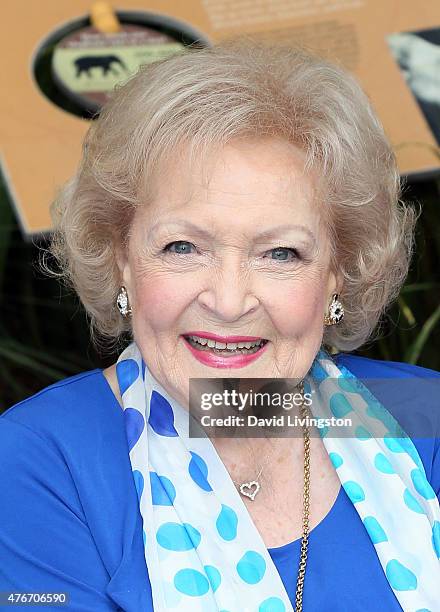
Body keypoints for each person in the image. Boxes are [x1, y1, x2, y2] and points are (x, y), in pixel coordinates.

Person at [0, 39, 439, 612]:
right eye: (183, 247)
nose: (229, 301)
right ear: (122, 259)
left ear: (337, 272)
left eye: (281, 254)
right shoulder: (43, 455)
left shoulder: (420, 412)